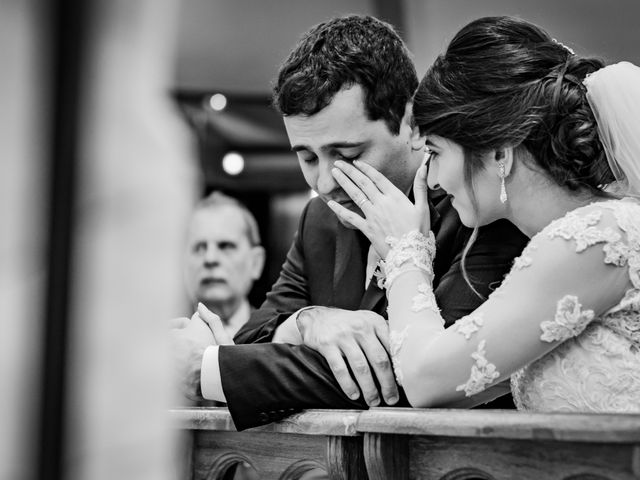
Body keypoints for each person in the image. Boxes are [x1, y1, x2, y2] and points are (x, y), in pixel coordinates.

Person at [170, 15, 528, 430]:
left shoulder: (480, 207)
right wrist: (308, 322)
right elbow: (249, 339)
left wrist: (205, 368)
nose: (325, 182)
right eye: (306, 157)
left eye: (347, 154)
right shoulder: (319, 219)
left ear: (411, 124)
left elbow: (410, 373)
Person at [328, 16, 640, 411]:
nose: (435, 180)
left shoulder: (595, 238)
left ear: (497, 154)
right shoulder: (588, 232)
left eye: (437, 153)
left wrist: (406, 252)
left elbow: (425, 381)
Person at [183, 191, 265, 338]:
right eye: (200, 247)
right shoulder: (160, 346)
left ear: (256, 263)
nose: (210, 258)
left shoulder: (278, 340)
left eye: (225, 246)